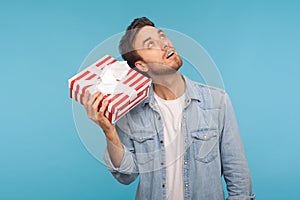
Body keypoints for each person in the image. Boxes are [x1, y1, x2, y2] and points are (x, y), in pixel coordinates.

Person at [82, 17, 255, 200]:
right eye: (151, 44)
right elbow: (127, 175)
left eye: (162, 36)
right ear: (141, 65)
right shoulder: (131, 112)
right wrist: (109, 131)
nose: (164, 44)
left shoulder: (217, 102)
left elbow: (238, 177)